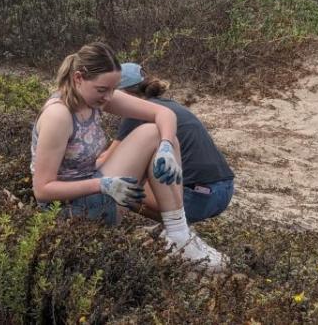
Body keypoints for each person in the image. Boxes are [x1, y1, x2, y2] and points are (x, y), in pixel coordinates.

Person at [30, 42, 226, 270]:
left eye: (113, 89)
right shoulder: (59, 116)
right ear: (78, 78)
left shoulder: (94, 97)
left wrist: (165, 147)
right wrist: (102, 184)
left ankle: (178, 234)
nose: (108, 97)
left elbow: (163, 113)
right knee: (151, 133)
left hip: (94, 194)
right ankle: (179, 236)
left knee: (159, 133)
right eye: (102, 90)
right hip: (69, 212)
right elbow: (42, 190)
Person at [99, 63, 234, 224]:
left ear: (122, 94)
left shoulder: (136, 114)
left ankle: (176, 230)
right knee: (150, 167)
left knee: (119, 186)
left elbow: (108, 160)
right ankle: (171, 231)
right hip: (225, 191)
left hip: (197, 199)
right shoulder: (169, 105)